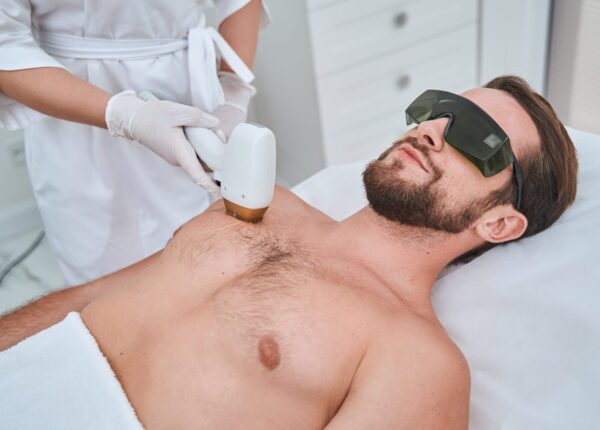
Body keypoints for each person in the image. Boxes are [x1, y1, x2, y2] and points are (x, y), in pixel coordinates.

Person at [0, 76, 578, 428]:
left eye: (476, 137)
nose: (432, 130)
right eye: (438, 109)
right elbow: (97, 297)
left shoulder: (421, 364)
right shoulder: (261, 202)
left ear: (501, 222)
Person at [0, 0, 270, 286]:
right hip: (75, 115)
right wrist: (124, 115)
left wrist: (233, 89)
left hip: (189, 97)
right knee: (106, 279)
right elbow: (5, 48)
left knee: (201, 260)